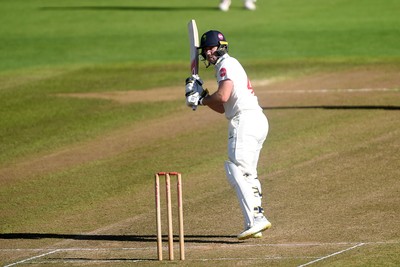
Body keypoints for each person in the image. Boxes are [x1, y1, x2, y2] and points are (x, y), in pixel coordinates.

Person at [185, 30, 271, 240]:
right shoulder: (228, 65)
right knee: (248, 173)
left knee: (236, 170)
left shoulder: (226, 65)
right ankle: (257, 217)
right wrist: (203, 95)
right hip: (256, 120)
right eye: (205, 50)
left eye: (210, 48)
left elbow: (222, 96)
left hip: (245, 122)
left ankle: (255, 220)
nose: (208, 53)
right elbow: (222, 107)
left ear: (221, 47)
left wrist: (199, 100)